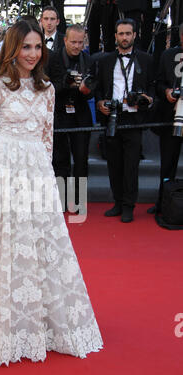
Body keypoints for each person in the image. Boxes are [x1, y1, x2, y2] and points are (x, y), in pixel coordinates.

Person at [0, 20, 103, 367]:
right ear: (12, 48)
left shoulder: (48, 89)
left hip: (36, 174)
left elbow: (48, 139)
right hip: (2, 171)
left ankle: (39, 325)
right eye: (26, 47)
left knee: (39, 244)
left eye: (37, 47)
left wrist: (47, 181)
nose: (32, 54)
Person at [96, 18, 154, 223]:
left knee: (131, 165)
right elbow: (99, 89)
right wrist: (100, 102)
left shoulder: (146, 60)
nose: (124, 37)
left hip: (134, 118)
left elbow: (152, 87)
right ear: (115, 36)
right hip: (112, 117)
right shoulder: (104, 60)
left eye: (128, 33)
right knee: (114, 163)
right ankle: (118, 203)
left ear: (135, 35)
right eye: (121, 34)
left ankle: (129, 205)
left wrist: (148, 98)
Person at [48, 24, 94, 212]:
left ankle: (79, 202)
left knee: (81, 161)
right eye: (73, 42)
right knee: (60, 160)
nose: (77, 46)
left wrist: (86, 90)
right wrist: (66, 84)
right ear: (65, 40)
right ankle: (61, 200)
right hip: (59, 114)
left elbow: (92, 90)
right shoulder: (52, 59)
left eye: (80, 42)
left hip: (81, 115)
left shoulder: (88, 60)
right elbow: (47, 88)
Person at [147, 22, 183, 215]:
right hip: (170, 119)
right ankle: (163, 204)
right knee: (167, 165)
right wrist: (167, 91)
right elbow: (158, 83)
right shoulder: (168, 55)